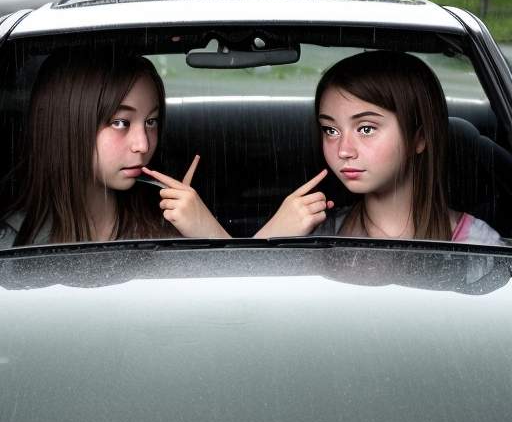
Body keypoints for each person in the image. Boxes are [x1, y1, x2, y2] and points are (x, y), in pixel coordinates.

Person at [255, 50, 502, 244]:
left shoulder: (479, 246)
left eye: (366, 129)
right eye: (331, 130)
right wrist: (271, 236)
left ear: (420, 138)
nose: (344, 150)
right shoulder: (316, 233)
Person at [0, 48, 229, 247]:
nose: (143, 144)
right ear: (68, 126)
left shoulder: (172, 221)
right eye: (120, 123)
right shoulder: (13, 243)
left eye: (151, 122)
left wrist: (208, 233)